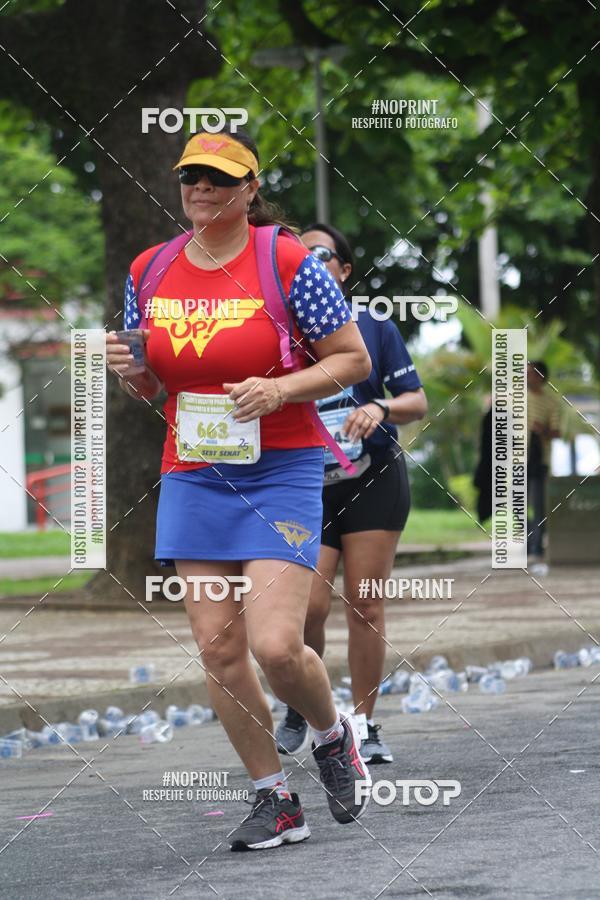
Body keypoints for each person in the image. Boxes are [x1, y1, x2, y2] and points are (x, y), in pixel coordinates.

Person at [106, 128, 373, 851]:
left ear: (250, 189)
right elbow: (155, 383)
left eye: (221, 180)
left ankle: (330, 732)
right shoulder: (151, 268)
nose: (203, 189)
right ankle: (274, 799)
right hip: (194, 471)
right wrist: (132, 376)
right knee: (219, 651)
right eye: (192, 177)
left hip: (280, 470)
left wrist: (280, 387)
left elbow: (349, 359)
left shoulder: (286, 260)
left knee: (278, 644)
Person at [276, 223, 427, 764]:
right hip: (302, 485)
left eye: (322, 254)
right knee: (309, 606)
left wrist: (380, 407)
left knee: (364, 602)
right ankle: (303, 702)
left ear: (342, 270)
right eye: (300, 254)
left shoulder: (374, 325)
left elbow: (416, 399)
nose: (310, 261)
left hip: (373, 479)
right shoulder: (278, 322)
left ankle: (364, 722)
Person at [527, 360, 560, 560]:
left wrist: (543, 430)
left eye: (529, 373)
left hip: (539, 461)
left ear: (540, 377)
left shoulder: (551, 402)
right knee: (516, 505)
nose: (525, 377)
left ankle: (537, 547)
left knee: (539, 505)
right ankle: (533, 540)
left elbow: (557, 433)